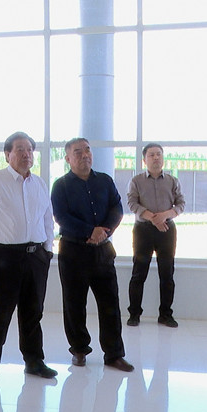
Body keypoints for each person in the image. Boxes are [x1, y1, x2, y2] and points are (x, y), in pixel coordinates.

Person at [0, 132, 57, 384]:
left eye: (29, 149)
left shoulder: (39, 183)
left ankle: (34, 361)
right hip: (5, 257)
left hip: (36, 257)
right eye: (20, 149)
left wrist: (47, 249)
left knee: (33, 312)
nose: (26, 154)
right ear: (7, 154)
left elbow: (47, 218)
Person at [51, 137, 134, 372]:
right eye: (77, 152)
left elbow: (117, 208)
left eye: (87, 150)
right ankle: (79, 349)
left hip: (103, 251)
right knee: (74, 304)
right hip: (73, 251)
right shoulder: (60, 185)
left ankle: (114, 354)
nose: (84, 155)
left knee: (110, 303)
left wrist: (103, 231)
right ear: (68, 158)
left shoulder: (105, 181)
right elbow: (61, 216)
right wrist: (90, 231)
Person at [126, 143, 185, 328]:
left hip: (167, 230)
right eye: (151, 155)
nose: (156, 158)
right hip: (143, 230)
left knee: (167, 274)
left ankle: (165, 315)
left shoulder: (173, 181)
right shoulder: (136, 181)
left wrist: (164, 216)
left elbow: (181, 204)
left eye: (159, 154)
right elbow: (132, 204)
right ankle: (134, 314)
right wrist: (153, 218)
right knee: (138, 273)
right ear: (144, 160)